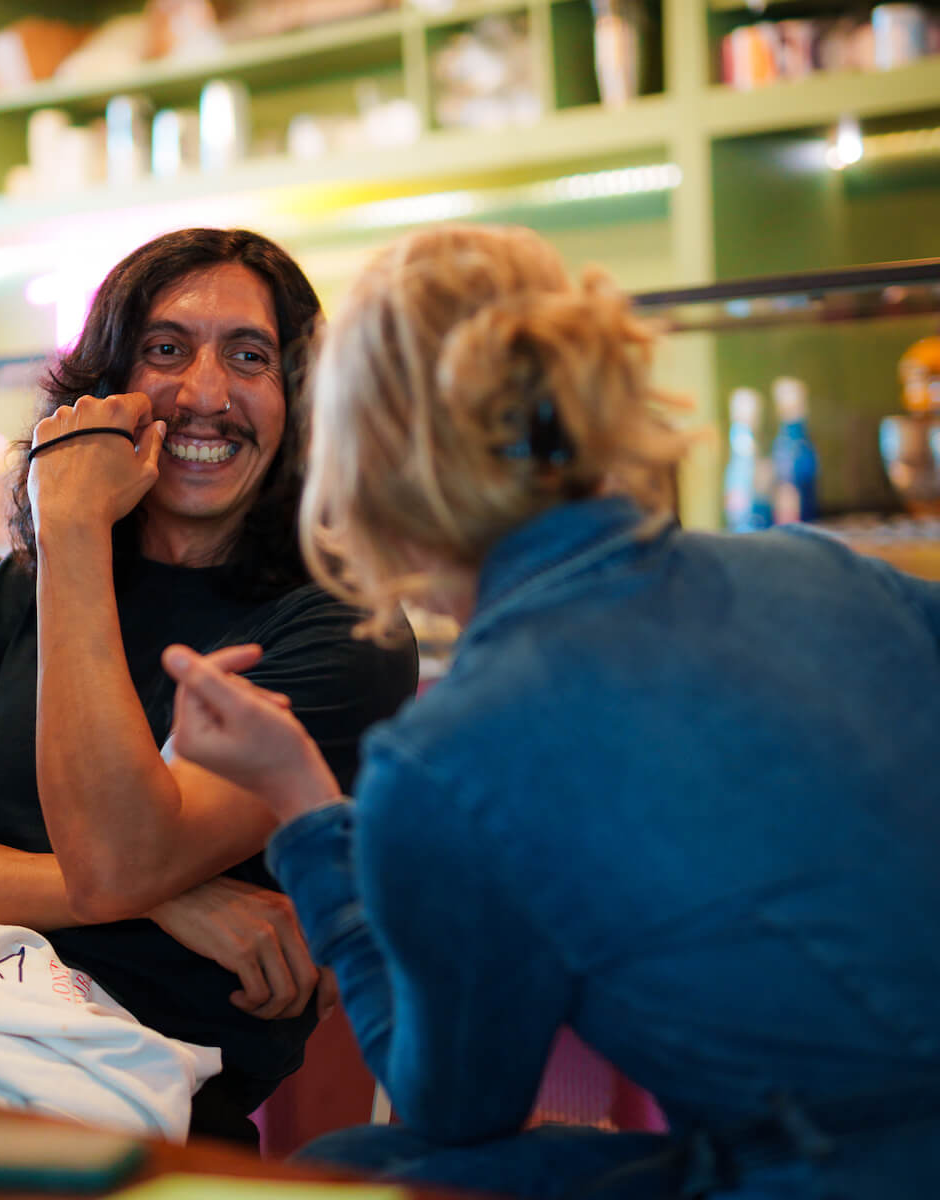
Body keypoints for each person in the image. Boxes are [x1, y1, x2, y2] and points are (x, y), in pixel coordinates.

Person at [159, 224, 940, 1196]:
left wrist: (303, 807)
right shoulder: (828, 568)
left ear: (363, 460)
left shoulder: (451, 756)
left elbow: (456, 1107)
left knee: (352, 1169)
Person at [0, 228, 419, 1142]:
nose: (205, 395)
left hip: (138, 1097)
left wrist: (75, 534)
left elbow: (119, 855)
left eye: (248, 357)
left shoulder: (339, 627)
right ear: (102, 386)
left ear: (298, 401)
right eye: (165, 350)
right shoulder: (3, 595)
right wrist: (175, 896)